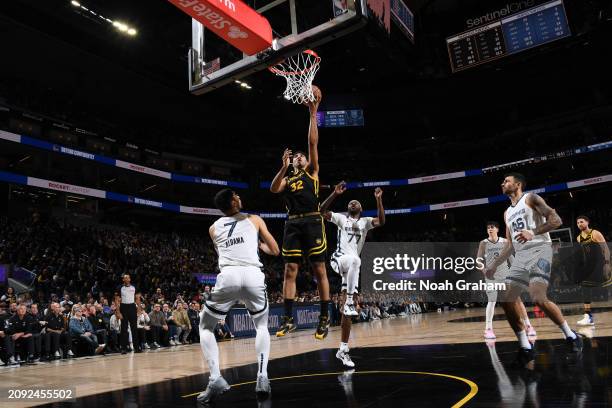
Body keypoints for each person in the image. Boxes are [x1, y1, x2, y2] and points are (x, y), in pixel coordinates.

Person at [484, 173, 582, 367]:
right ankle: (525, 347)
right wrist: (493, 265)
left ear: (518, 184)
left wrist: (533, 232)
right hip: (521, 257)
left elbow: (556, 220)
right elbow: (510, 244)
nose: (503, 183)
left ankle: (571, 336)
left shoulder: (531, 198)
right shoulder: (507, 213)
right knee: (506, 297)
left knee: (538, 297)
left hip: (541, 251)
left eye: (507, 181)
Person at [197, 188, 280, 404]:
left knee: (205, 327)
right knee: (261, 326)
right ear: (233, 201)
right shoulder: (255, 219)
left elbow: (224, 252)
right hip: (253, 275)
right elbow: (275, 250)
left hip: (229, 276)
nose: (240, 197)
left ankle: (215, 377)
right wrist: (259, 245)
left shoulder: (213, 228)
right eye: (237, 196)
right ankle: (262, 376)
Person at [269, 86, 331, 340]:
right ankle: (287, 318)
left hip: (313, 221)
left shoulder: (312, 173)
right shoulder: (288, 178)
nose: (299, 158)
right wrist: (283, 167)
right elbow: (274, 189)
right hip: (292, 224)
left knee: (319, 270)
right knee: (289, 270)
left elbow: (312, 142)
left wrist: (312, 113)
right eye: (296, 158)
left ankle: (325, 318)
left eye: (302, 157)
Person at [320, 182, 385, 367]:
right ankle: (349, 301)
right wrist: (334, 193)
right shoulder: (341, 219)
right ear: (347, 209)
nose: (353, 203)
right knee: (356, 260)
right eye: (350, 202)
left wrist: (379, 200)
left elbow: (381, 221)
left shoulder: (365, 222)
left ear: (361, 209)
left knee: (348, 311)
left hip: (351, 270)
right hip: (339, 259)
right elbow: (322, 211)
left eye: (356, 202)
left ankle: (343, 349)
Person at [477, 221, 536, 339]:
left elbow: (512, 259)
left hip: (506, 276)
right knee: (492, 301)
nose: (490, 229)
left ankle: (528, 326)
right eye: (488, 227)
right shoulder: (483, 243)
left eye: (492, 227)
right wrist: (484, 271)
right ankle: (488, 329)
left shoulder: (504, 242)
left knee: (517, 301)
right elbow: (478, 260)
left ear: (497, 229)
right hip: (491, 278)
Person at [575, 215, 611, 326]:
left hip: (601, 264)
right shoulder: (579, 238)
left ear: (587, 222)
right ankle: (588, 316)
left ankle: (588, 316)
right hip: (591, 267)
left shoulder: (595, 233)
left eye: (582, 222)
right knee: (585, 287)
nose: (580, 224)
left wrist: (607, 264)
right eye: (578, 223)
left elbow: (605, 248)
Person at [115, 273, 141, 354]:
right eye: (125, 278)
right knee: (124, 329)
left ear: (130, 279)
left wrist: (139, 309)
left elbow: (137, 298)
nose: (126, 279)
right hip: (123, 307)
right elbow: (117, 300)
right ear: (123, 280)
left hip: (132, 307)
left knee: (134, 328)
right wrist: (118, 312)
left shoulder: (134, 287)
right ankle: (123, 348)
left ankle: (137, 348)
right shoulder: (119, 288)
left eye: (128, 278)